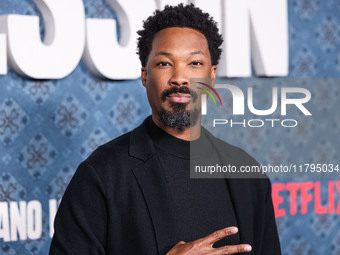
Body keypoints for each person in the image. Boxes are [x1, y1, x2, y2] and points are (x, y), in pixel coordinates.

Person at [50, 4, 281, 255]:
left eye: (194, 63)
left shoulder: (246, 172)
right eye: (164, 63)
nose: (180, 78)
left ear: (212, 76)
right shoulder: (102, 174)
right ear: (144, 75)